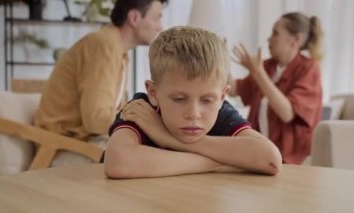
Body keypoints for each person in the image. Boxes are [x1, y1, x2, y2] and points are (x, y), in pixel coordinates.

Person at [103, 26, 282, 179]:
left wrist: (169, 140)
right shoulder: (142, 110)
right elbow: (118, 162)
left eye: (207, 100)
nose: (194, 114)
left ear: (222, 96)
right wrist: (215, 164)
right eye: (179, 99)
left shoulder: (221, 112)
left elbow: (270, 160)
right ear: (153, 93)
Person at [34, 0, 168, 143]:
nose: (160, 27)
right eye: (156, 18)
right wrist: (149, 124)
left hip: (86, 141)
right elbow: (95, 120)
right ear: (134, 17)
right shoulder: (103, 46)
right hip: (64, 145)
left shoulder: (119, 51)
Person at [228, 12, 324, 164]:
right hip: (260, 153)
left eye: (275, 33)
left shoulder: (309, 68)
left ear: (296, 40)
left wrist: (258, 72)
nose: (269, 39)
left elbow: (287, 113)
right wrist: (221, 63)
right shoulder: (267, 66)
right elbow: (233, 89)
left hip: (292, 159)